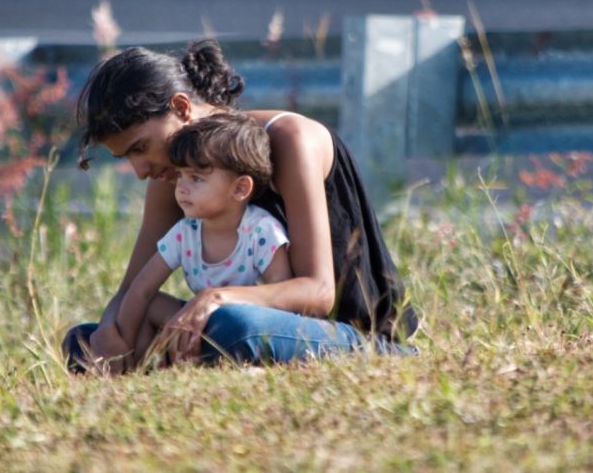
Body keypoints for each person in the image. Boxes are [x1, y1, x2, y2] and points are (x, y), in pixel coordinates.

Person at [63, 39, 418, 372]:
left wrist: (217, 297)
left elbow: (319, 293)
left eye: (140, 148)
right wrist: (110, 333)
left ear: (181, 107)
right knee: (81, 341)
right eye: (126, 157)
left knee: (234, 326)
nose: (140, 172)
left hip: (348, 331)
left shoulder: (290, 140)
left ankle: (199, 356)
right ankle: (190, 359)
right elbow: (131, 291)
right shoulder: (173, 174)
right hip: (228, 325)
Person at [88, 113, 292, 374]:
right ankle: (134, 367)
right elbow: (141, 289)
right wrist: (121, 343)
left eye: (196, 178)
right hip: (195, 321)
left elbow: (284, 301)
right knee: (146, 305)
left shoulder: (261, 231)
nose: (181, 188)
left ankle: (239, 365)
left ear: (240, 188)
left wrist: (223, 305)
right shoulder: (185, 233)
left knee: (233, 323)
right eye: (181, 176)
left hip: (238, 323)